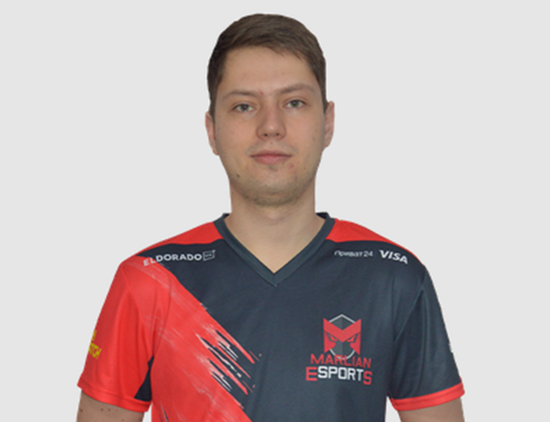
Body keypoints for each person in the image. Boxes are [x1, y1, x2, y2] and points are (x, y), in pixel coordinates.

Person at [77, 14, 465, 422]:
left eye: (294, 103)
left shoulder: (392, 278)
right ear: (212, 130)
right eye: (244, 106)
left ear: (328, 123)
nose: (271, 126)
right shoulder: (150, 281)